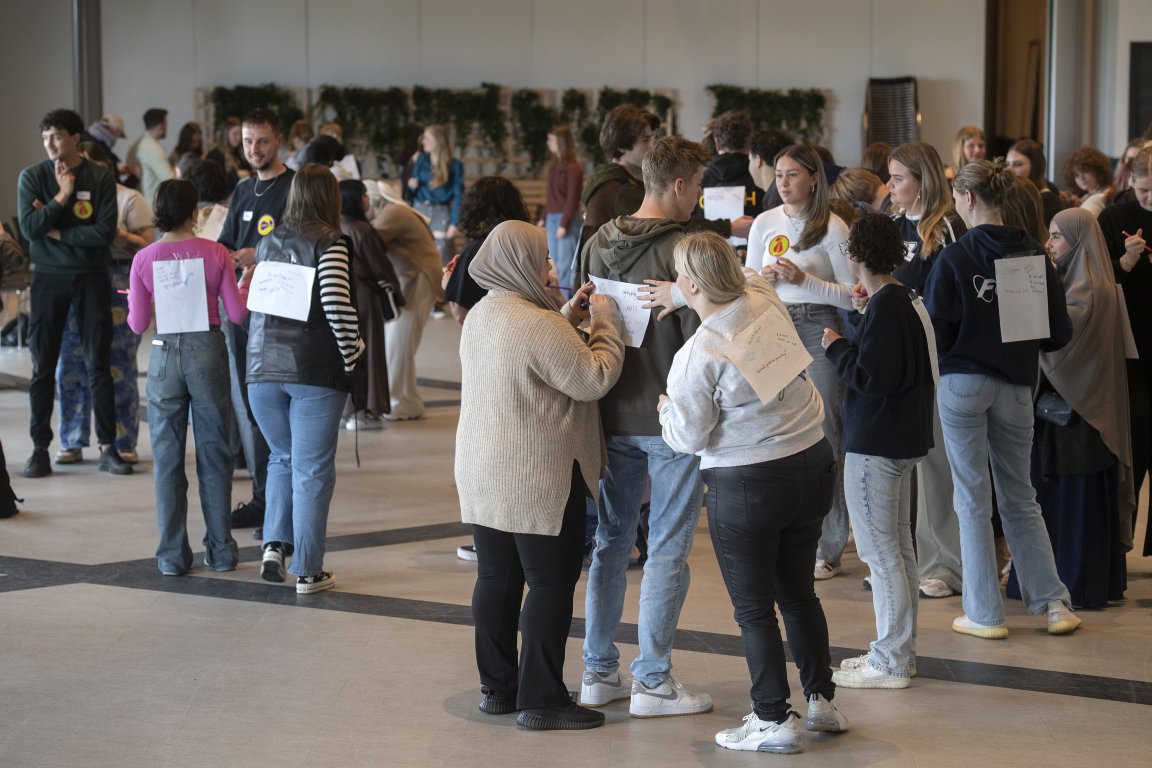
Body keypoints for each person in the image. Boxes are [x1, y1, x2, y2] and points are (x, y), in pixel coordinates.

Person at [657, 231, 848, 753]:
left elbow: (689, 437)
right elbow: (743, 273)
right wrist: (684, 289)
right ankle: (822, 702)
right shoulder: (762, 297)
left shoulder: (698, 353)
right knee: (800, 594)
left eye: (680, 277)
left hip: (747, 483)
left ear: (692, 285)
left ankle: (771, 718)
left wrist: (665, 409)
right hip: (811, 460)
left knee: (754, 609)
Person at [456, 219, 624, 731]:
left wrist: (565, 315)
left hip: (484, 469)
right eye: (543, 257)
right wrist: (606, 325)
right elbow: (593, 376)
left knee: (496, 579)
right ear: (520, 263)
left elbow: (533, 357)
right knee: (550, 583)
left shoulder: (482, 314)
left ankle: (500, 690)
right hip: (535, 475)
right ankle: (543, 699)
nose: (551, 266)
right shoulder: (537, 324)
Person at [579, 136, 713, 719]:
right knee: (666, 549)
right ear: (678, 184)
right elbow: (710, 336)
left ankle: (597, 670)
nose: (700, 195)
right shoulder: (687, 251)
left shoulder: (598, 242)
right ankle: (652, 679)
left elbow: (584, 320)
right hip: (670, 417)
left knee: (611, 542)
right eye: (698, 184)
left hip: (610, 410)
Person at [924, 157, 1081, 638]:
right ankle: (1054, 603)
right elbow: (1057, 335)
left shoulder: (955, 257)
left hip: (963, 383)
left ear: (968, 197)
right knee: (1020, 497)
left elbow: (936, 331)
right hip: (1017, 385)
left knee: (972, 499)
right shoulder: (1032, 254)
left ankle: (984, 613)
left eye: (956, 196)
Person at [821, 214, 936, 689]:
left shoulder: (888, 305)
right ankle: (898, 653)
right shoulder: (902, 297)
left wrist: (836, 348)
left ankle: (890, 661)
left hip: (877, 442)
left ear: (856, 254)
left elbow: (872, 378)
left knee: (881, 554)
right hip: (902, 437)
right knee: (899, 552)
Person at [1008, 207, 1132, 608]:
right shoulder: (1081, 284)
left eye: (1058, 236)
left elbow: (1055, 347)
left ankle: (1070, 583)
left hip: (1078, 419)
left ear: (1079, 241)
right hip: (1075, 417)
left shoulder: (1088, 291)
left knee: (1069, 504)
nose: (1049, 244)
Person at [249, 165, 364, 595]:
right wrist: (352, 354)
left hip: (261, 370)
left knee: (281, 458)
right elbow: (335, 302)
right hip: (313, 371)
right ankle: (309, 571)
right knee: (311, 470)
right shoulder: (331, 241)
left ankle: (273, 546)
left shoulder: (267, 241)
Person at [127, 179, 251, 576]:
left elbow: (137, 324)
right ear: (194, 213)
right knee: (215, 453)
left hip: (164, 354)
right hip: (207, 351)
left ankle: (171, 556)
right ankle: (221, 551)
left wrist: (136, 299)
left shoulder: (143, 258)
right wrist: (245, 284)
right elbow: (237, 314)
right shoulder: (215, 252)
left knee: (166, 458)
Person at [745, 144, 852, 581]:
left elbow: (855, 297)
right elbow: (746, 283)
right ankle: (781, 536)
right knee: (774, 429)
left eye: (792, 174)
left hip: (818, 325)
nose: (784, 183)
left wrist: (803, 279)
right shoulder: (764, 222)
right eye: (778, 175)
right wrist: (764, 280)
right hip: (774, 323)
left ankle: (829, 546)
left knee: (826, 433)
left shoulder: (834, 226)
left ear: (813, 178)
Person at [17, 108, 132, 478]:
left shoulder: (99, 177)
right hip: (48, 278)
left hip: (91, 277)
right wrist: (62, 196)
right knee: (42, 365)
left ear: (76, 138)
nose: (50, 144)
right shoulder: (33, 177)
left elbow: (103, 233)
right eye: (45, 137)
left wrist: (56, 231)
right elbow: (30, 229)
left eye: (57, 136)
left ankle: (108, 447)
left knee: (98, 362)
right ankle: (39, 449)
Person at [886, 141, 968, 598]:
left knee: (937, 469)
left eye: (899, 178)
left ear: (923, 181)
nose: (890, 185)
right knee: (904, 465)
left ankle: (946, 566)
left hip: (939, 363)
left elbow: (954, 299)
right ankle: (909, 560)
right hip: (900, 361)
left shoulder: (947, 228)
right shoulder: (895, 225)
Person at [217, 109, 294, 536]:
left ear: (278, 140)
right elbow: (227, 242)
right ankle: (264, 497)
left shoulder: (294, 187)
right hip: (242, 311)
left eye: (262, 141)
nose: (254, 149)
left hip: (280, 312)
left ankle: (281, 505)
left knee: (277, 408)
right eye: (248, 142)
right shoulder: (244, 189)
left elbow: (303, 243)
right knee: (252, 406)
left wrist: (259, 253)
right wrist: (228, 257)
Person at [53, 141, 154, 466]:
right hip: (76, 278)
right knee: (71, 360)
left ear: (105, 167)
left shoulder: (129, 198)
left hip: (118, 279)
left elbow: (149, 248)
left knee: (119, 362)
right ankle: (72, 439)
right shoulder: (66, 197)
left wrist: (114, 233)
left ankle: (122, 441)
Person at [1097, 145, 1152, 554]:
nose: (1151, 198)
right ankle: (1119, 544)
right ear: (1132, 181)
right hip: (1129, 353)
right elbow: (1095, 283)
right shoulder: (1114, 218)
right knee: (1133, 449)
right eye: (1146, 190)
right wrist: (1125, 264)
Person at [366, 181, 442, 420]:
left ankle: (396, 401)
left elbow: (368, 240)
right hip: (415, 280)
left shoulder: (394, 212)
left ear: (373, 199)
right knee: (400, 343)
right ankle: (406, 400)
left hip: (419, 280)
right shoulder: (394, 211)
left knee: (398, 343)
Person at [339, 179, 402, 429]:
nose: (367, 200)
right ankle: (363, 411)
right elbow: (381, 268)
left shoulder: (335, 227)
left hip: (341, 295)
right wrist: (395, 293)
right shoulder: (362, 230)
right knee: (370, 353)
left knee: (347, 353)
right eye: (364, 195)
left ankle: (346, 411)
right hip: (365, 296)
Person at [443, 176, 532, 325]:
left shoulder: (476, 250)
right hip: (523, 325)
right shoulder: (524, 242)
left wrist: (449, 283)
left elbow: (461, 315)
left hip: (489, 332)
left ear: (473, 207)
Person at [578, 106, 658, 253]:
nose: (653, 145)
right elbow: (657, 226)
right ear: (622, 146)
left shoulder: (609, 177)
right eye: (645, 140)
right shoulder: (619, 188)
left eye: (652, 137)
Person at [407, 123, 464, 265]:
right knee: (417, 257)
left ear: (437, 141)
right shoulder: (421, 159)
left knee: (442, 259)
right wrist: (411, 185)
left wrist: (454, 223)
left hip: (441, 211)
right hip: (419, 209)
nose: (423, 141)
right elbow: (412, 189)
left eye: (427, 138)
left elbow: (458, 196)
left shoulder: (455, 165)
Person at [541, 125, 583, 298]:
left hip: (567, 220)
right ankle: (559, 301)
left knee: (566, 265)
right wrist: (543, 218)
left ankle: (568, 304)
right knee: (556, 264)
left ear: (561, 141)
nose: (548, 143)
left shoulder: (573, 168)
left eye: (551, 139)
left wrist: (563, 224)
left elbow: (572, 198)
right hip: (552, 218)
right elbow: (551, 197)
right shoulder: (553, 167)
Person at [1006, 139, 1063, 225]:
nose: (1010, 170)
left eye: (1017, 164)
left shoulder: (1047, 200)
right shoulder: (1010, 196)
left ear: (1035, 167)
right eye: (1007, 164)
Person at [130, 108, 175, 205]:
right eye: (166, 123)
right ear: (160, 125)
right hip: (155, 205)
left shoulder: (144, 144)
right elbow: (169, 179)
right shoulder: (152, 147)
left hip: (149, 202)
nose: (167, 127)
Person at [1061, 146, 1113, 217]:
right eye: (1076, 175)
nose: (1081, 178)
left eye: (1085, 171)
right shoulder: (1084, 197)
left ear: (1098, 170)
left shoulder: (1108, 195)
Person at [206, 116, 251, 195]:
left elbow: (248, 171)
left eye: (240, 134)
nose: (239, 138)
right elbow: (215, 182)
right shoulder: (215, 155)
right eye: (235, 134)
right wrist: (237, 174)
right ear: (226, 135)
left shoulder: (238, 152)